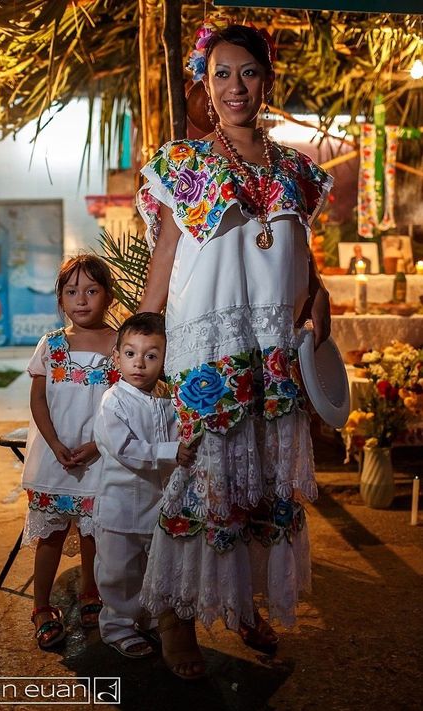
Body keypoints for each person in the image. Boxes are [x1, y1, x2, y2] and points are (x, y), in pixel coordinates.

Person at [136, 22, 333, 679]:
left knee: (265, 488)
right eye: (221, 73)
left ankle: (246, 606)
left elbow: (299, 257)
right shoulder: (183, 164)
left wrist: (322, 292)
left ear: (266, 80)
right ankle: (176, 619)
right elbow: (163, 261)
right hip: (207, 353)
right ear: (205, 83)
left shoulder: (298, 172)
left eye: (247, 72)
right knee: (203, 485)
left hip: (272, 353)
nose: (234, 87)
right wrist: (137, 342)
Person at [21, 254, 119, 649]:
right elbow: (39, 401)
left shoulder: (120, 344)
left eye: (92, 290)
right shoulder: (52, 344)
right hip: (55, 458)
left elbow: (125, 403)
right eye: (72, 291)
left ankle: (91, 592)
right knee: (52, 535)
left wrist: (98, 444)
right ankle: (41, 606)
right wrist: (56, 444)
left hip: (101, 457)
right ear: (60, 300)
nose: (82, 299)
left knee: (96, 533)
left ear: (108, 297)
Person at [93, 313, 196, 658]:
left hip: (157, 506)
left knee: (153, 566)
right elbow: (126, 450)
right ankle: (117, 626)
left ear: (165, 359)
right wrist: (172, 452)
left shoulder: (167, 401)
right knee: (119, 571)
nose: (140, 364)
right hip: (120, 507)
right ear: (117, 357)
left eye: (151, 355)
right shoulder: (114, 401)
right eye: (131, 354)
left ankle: (150, 616)